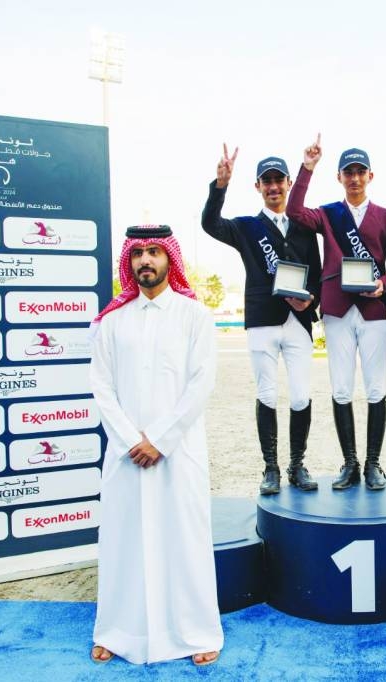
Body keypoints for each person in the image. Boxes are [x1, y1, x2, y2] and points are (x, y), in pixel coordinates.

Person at [89, 224, 223, 666]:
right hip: (126, 455)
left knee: (185, 540)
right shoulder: (111, 321)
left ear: (170, 259)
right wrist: (132, 440)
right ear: (128, 262)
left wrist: (161, 440)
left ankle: (198, 631)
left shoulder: (194, 316)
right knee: (124, 540)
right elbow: (102, 388)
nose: (145, 260)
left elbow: (201, 384)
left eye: (154, 252)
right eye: (137, 254)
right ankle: (115, 630)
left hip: (178, 452)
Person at [202, 146, 322, 495]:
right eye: (266, 181)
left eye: (278, 180)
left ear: (288, 183)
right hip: (262, 321)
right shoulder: (245, 226)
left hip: (298, 321)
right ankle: (270, 468)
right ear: (257, 186)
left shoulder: (304, 227)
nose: (273, 187)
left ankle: (297, 464)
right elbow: (211, 223)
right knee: (267, 392)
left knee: (301, 395)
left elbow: (315, 272)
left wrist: (310, 298)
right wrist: (220, 185)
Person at [286, 135, 386, 491]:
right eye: (348, 172)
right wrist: (307, 168)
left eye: (360, 172)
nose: (354, 178)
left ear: (370, 176)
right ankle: (350, 463)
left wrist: (384, 282)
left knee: (377, 387)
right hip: (337, 307)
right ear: (339, 177)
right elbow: (293, 211)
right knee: (341, 388)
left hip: (373, 308)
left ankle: (373, 464)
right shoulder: (328, 213)